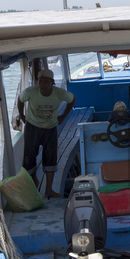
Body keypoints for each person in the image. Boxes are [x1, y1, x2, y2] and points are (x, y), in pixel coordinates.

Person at [16, 68, 77, 198]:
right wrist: (21, 115)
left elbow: (72, 99)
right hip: (33, 127)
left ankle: (49, 189)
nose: (42, 85)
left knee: (50, 158)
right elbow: (20, 100)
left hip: (50, 128)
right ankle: (33, 181)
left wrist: (63, 116)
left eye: (46, 82)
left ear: (52, 83)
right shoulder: (31, 92)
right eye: (40, 81)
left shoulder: (59, 93)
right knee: (29, 157)